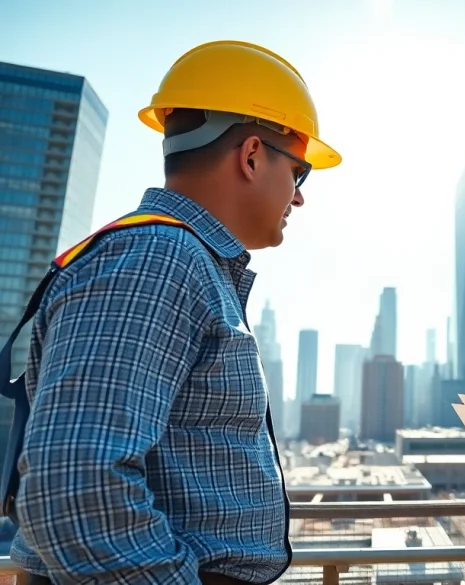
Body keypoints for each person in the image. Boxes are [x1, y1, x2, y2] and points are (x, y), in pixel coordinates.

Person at [6, 41, 341, 584]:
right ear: (252, 155)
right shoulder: (159, 259)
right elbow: (76, 486)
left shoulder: (176, 261)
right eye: (299, 173)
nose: (298, 198)